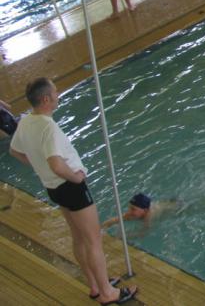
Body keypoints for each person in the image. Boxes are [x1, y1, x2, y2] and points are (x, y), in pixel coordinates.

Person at [9, 78, 138, 304]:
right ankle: (108, 294)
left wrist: (38, 167)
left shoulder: (27, 121)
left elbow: (15, 151)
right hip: (71, 187)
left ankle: (95, 286)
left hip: (53, 188)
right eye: (56, 92)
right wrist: (76, 177)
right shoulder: (49, 127)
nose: (58, 94)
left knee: (78, 238)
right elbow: (56, 164)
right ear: (47, 99)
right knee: (93, 239)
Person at [101, 193, 179, 231]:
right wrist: (102, 229)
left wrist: (124, 236)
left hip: (173, 208)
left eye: (133, 209)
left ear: (145, 211)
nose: (129, 211)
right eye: (129, 208)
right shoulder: (133, 213)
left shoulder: (148, 217)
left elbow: (143, 233)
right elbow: (113, 220)